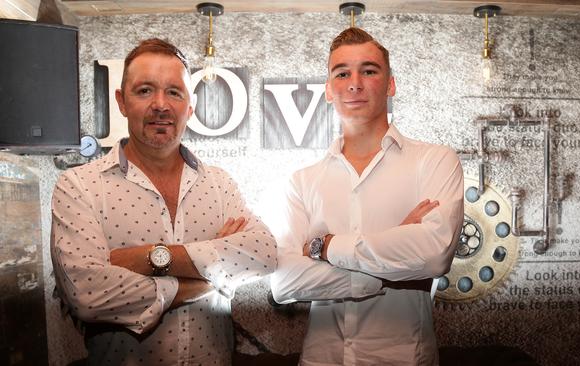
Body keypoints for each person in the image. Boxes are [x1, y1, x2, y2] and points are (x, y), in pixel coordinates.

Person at [50, 38, 276, 365]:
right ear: (121, 102)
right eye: (144, 91)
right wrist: (211, 274)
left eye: (174, 92)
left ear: (190, 105)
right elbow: (87, 295)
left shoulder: (219, 183)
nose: (160, 104)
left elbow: (264, 253)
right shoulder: (79, 186)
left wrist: (150, 259)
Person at [270, 27, 464, 365]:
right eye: (342, 73)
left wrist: (326, 248)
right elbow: (285, 283)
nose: (354, 83)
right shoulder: (302, 181)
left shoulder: (434, 160)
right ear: (329, 90)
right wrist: (394, 263)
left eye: (369, 71)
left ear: (390, 84)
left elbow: (434, 257)